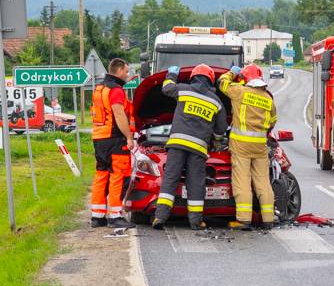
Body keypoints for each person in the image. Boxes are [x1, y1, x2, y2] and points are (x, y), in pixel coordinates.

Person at [151, 64, 227, 230]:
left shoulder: (184, 90)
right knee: (195, 183)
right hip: (198, 149)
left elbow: (167, 88)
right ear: (211, 80)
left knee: (170, 179)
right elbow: (221, 129)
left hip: (177, 145)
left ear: (193, 77)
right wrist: (217, 140)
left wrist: (171, 75)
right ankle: (195, 222)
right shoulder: (216, 102)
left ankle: (160, 217)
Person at [218, 63, 277, 230]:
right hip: (260, 147)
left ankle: (243, 220)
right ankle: (268, 219)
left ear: (245, 79)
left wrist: (231, 73)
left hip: (241, 146)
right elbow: (273, 121)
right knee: (263, 182)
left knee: (242, 181)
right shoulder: (267, 98)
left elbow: (222, 82)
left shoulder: (240, 91)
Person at [90, 58, 136, 228]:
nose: (127, 74)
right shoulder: (116, 90)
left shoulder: (99, 88)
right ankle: (115, 215)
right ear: (118, 70)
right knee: (118, 175)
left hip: (99, 138)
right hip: (115, 139)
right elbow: (119, 115)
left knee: (101, 175)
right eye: (126, 70)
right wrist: (129, 137)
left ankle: (97, 216)